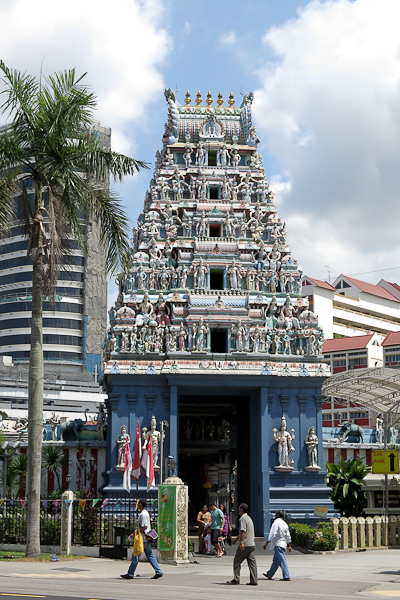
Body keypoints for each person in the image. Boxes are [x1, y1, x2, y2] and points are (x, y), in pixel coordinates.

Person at [121, 498, 163, 580]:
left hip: (142, 539)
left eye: (138, 503)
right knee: (150, 555)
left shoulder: (142, 514)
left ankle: (130, 574)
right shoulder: (145, 512)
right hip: (146, 538)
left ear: (140, 504)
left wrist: (134, 533)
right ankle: (158, 571)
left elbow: (144, 527)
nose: (137, 504)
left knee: (135, 555)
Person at [227, 503, 257, 586]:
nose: (238, 510)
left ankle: (236, 579)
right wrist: (236, 540)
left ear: (241, 510)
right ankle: (254, 580)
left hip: (246, 544)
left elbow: (243, 531)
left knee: (237, 560)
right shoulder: (249, 518)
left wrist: (241, 543)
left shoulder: (242, 519)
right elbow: (242, 532)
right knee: (252, 563)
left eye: (239, 508)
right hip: (252, 544)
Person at [263, 510, 292, 581]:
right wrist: (289, 545)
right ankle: (270, 574)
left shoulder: (276, 523)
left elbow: (272, 533)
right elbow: (288, 535)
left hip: (278, 544)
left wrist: (267, 543)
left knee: (282, 560)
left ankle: (286, 576)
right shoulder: (285, 524)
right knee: (276, 560)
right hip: (283, 544)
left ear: (277, 515)